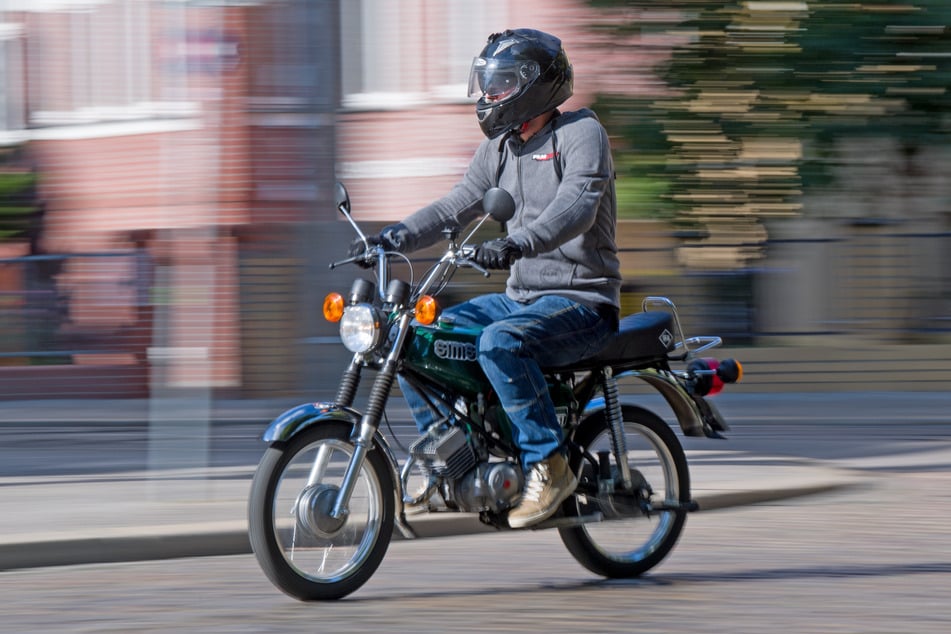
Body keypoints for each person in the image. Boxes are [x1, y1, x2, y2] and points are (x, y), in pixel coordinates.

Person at [349, 28, 621, 528]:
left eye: (501, 84)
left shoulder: (581, 133)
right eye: (488, 84)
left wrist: (517, 243)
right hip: (523, 299)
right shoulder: (500, 149)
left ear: (535, 84)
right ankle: (452, 464)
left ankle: (549, 464)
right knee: (415, 336)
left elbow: (576, 208)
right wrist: (390, 237)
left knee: (500, 343)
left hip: (581, 302)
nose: (490, 95)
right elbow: (455, 205)